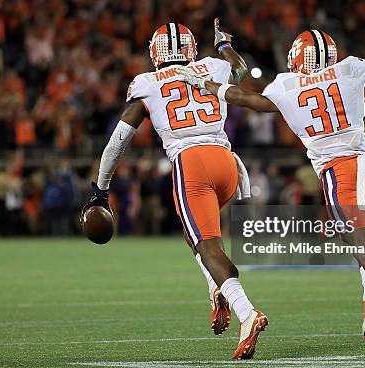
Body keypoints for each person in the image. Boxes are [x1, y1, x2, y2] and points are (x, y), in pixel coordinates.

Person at [178, 18, 365, 343]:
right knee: (362, 241)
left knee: (359, 241)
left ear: (297, 58)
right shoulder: (349, 69)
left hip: (342, 172)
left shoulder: (287, 86)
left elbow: (245, 99)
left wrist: (207, 86)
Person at [81, 20, 268, 360]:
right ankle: (217, 289)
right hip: (226, 161)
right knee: (197, 235)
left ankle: (247, 313)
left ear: (155, 52)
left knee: (208, 248)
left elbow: (117, 142)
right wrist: (224, 44)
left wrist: (100, 190)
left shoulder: (147, 82)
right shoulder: (212, 65)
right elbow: (240, 70)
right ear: (190, 49)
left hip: (191, 163)